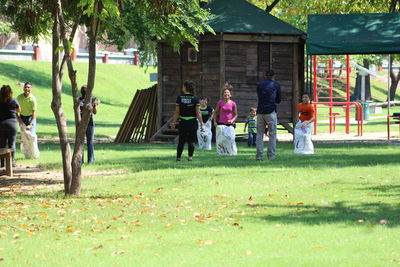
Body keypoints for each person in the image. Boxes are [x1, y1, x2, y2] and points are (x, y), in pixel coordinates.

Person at [170, 81, 205, 161]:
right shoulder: (195, 98)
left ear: (185, 87)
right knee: (191, 141)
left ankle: (178, 158)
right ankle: (190, 157)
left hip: (183, 122)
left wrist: (173, 122)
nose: (182, 88)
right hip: (192, 122)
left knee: (181, 141)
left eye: (183, 86)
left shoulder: (179, 97)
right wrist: (202, 124)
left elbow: (177, 112)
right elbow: (198, 112)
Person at [256, 69, 281, 160]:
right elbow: (278, 100)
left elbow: (259, 95)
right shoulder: (276, 85)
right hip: (271, 111)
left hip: (260, 111)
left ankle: (259, 156)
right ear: (274, 76)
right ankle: (271, 155)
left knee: (259, 134)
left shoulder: (259, 85)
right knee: (272, 134)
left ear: (265, 76)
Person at [213, 83, 238, 155]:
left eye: (227, 93)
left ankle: (231, 152)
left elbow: (236, 114)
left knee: (230, 138)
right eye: (224, 92)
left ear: (230, 95)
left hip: (230, 124)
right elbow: (215, 112)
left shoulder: (233, 103)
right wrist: (214, 122)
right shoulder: (220, 102)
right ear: (223, 94)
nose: (226, 94)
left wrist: (232, 120)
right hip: (221, 123)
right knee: (221, 140)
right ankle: (221, 152)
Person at [0, 85, 20, 167]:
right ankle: (12, 162)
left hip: (1, 124)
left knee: (1, 144)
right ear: (10, 92)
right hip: (12, 124)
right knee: (12, 143)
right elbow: (19, 110)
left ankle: (2, 162)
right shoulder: (14, 100)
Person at [79, 85, 100, 164]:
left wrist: (94, 104)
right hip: (88, 123)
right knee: (89, 142)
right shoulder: (90, 101)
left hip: (83, 123)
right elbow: (95, 112)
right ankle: (90, 160)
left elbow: (94, 111)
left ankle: (83, 161)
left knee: (82, 142)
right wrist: (94, 104)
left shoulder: (79, 100)